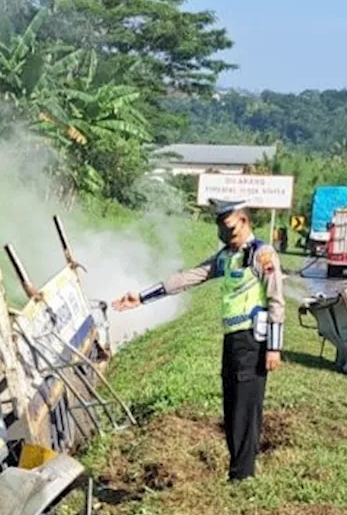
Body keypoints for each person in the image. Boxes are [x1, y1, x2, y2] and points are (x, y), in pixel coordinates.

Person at [112, 200, 285, 481]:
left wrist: (274, 348)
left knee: (245, 406)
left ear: (243, 221)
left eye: (227, 228)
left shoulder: (262, 254)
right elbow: (188, 278)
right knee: (231, 405)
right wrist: (142, 297)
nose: (223, 234)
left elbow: (277, 300)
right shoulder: (226, 257)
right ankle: (239, 470)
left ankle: (242, 475)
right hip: (232, 340)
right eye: (219, 228)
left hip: (254, 340)